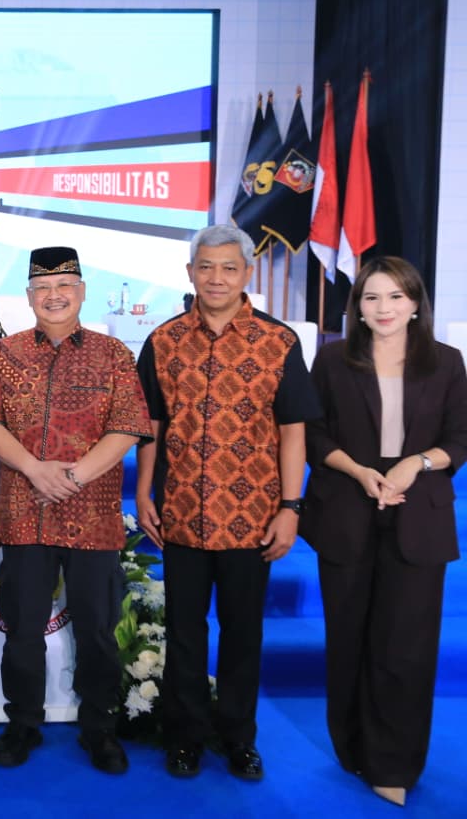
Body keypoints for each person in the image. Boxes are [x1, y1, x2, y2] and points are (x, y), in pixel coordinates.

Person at [135, 223, 320, 781]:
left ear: (246, 274)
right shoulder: (163, 341)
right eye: (207, 267)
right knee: (184, 633)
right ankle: (185, 737)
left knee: (243, 634)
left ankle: (239, 738)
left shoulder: (278, 341)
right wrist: (143, 491)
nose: (217, 278)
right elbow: (151, 425)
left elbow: (293, 431)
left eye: (229, 268)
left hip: (252, 518)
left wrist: (291, 507)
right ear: (190, 272)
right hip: (181, 514)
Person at [0, 246, 151, 775]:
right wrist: (34, 469)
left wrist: (72, 477)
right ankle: (22, 724)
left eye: (65, 285)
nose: (54, 296)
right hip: (24, 513)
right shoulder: (3, 355)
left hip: (93, 515)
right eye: (43, 288)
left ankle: (100, 729)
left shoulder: (113, 354)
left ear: (82, 292)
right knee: (23, 631)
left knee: (97, 630)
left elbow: (128, 427)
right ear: (30, 297)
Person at [301, 256, 467, 807]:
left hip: (419, 512)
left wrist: (416, 463)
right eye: (372, 297)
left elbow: (460, 438)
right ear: (359, 307)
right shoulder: (332, 360)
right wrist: (359, 471)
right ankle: (354, 747)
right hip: (347, 506)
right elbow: (315, 434)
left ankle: (393, 763)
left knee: (406, 646)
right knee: (348, 638)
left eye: (396, 296)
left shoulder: (446, 361)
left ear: (415, 304)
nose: (384, 307)